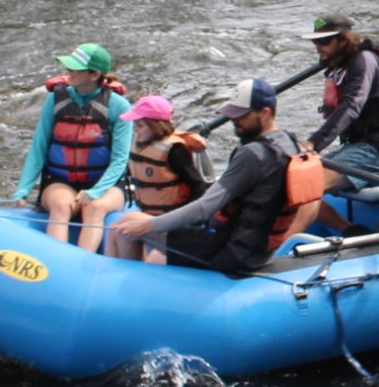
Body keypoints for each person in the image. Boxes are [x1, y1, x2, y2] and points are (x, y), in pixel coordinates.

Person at [104, 78, 322, 273]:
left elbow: (204, 207)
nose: (233, 121)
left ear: (264, 113)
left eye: (240, 115)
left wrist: (149, 226)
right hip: (258, 248)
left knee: (126, 229)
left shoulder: (251, 155)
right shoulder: (291, 142)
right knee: (132, 220)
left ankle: (134, 297)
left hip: (232, 251)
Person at [15, 43, 134, 250]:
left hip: (107, 184)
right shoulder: (54, 100)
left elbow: (120, 160)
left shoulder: (119, 106)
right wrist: (23, 189)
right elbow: (39, 147)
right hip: (61, 182)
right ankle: (57, 262)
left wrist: (97, 191)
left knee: (94, 208)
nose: (68, 72)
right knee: (61, 206)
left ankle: (82, 264)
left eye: (74, 68)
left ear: (94, 74)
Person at [302, 11, 379, 220]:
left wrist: (313, 143)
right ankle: (347, 230)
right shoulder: (341, 64)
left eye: (324, 41)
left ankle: (346, 230)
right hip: (356, 146)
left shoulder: (364, 61)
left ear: (343, 40)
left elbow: (352, 105)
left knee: (308, 184)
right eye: (316, 42)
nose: (318, 47)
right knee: (298, 178)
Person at [110, 94, 213, 264]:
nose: (136, 129)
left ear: (156, 126)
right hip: (149, 214)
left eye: (140, 125)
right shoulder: (142, 144)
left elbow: (198, 186)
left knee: (125, 231)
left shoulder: (174, 151)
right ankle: (112, 272)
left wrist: (185, 218)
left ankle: (134, 272)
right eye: (135, 125)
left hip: (172, 219)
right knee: (114, 230)